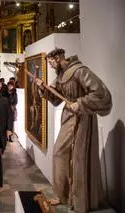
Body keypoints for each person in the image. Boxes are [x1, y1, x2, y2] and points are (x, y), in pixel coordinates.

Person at [35, 48, 112, 213]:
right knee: (60, 153)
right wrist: (44, 88)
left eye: (50, 62)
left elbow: (101, 94)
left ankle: (77, 199)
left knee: (73, 156)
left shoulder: (80, 71)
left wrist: (81, 103)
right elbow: (55, 98)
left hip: (82, 118)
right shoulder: (62, 75)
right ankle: (62, 195)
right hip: (68, 117)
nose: (50, 65)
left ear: (58, 57)